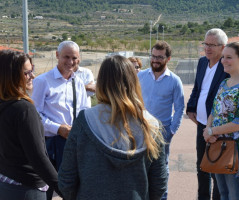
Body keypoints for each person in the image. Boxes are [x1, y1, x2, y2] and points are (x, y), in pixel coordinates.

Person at [58, 55, 168, 200]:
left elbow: (66, 179)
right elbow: (159, 183)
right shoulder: (152, 125)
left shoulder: (84, 121)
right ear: (133, 82)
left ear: (101, 83)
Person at [0, 50, 61, 200]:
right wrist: (64, 189)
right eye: (27, 72)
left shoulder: (5, 104)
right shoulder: (24, 109)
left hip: (6, 183)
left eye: (32, 70)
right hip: (27, 190)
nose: (32, 76)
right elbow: (38, 157)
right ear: (11, 76)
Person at [32, 41, 88, 200]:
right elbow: (35, 116)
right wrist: (58, 128)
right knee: (47, 188)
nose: (70, 62)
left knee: (72, 189)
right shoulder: (43, 81)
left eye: (75, 58)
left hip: (72, 142)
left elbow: (83, 110)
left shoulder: (78, 82)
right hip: (50, 143)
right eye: (66, 57)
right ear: (57, 55)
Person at [203, 42, 239, 200]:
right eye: (223, 57)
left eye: (229, 57)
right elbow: (214, 111)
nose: (224, 61)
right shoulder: (224, 83)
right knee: (224, 194)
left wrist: (212, 131)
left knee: (236, 195)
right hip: (218, 146)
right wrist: (208, 131)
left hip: (237, 150)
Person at [138, 41, 184, 200]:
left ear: (168, 58)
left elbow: (179, 108)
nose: (155, 60)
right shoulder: (140, 76)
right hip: (140, 129)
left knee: (161, 168)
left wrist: (171, 131)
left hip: (162, 132)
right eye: (153, 56)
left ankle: (161, 197)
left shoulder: (174, 81)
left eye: (160, 57)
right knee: (139, 166)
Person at [186, 28, 229, 200]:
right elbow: (198, 88)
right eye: (206, 44)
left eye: (213, 45)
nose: (208, 48)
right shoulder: (203, 62)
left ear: (223, 47)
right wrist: (190, 108)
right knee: (201, 166)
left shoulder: (226, 67)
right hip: (201, 124)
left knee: (216, 168)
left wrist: (213, 128)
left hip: (217, 128)